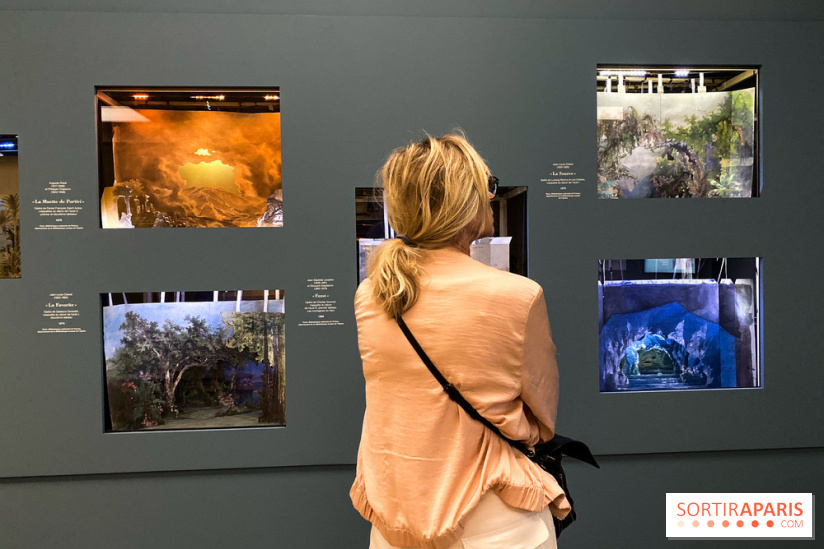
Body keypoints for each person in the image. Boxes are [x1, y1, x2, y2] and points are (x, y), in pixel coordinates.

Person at [351, 133, 569, 549]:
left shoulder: (372, 294)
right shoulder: (519, 296)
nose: (492, 196)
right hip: (494, 517)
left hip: (395, 518)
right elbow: (542, 417)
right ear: (465, 202)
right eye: (486, 185)